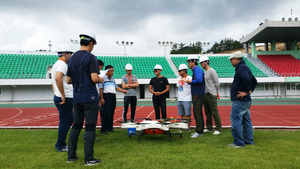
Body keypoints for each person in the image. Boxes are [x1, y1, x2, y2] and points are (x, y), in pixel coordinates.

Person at [66, 29, 103, 166]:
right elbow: (94, 78)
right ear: (91, 43)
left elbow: (69, 80)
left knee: (76, 125)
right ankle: (88, 158)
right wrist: (101, 79)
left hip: (77, 97)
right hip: (90, 97)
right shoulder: (91, 57)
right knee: (90, 127)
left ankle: (71, 156)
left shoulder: (73, 57)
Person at [227, 51, 257, 148]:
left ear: (236, 59)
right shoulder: (245, 67)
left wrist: (245, 92)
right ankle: (249, 141)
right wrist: (249, 91)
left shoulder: (241, 68)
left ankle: (238, 142)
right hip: (246, 100)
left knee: (235, 119)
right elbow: (254, 81)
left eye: (231, 60)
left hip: (240, 100)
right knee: (246, 120)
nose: (231, 62)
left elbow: (247, 80)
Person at [51, 44, 74, 152]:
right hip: (65, 97)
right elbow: (58, 78)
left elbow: (53, 82)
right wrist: (63, 95)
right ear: (66, 54)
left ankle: (61, 143)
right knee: (65, 122)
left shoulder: (56, 65)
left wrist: (56, 93)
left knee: (70, 120)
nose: (71, 56)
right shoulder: (62, 64)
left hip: (59, 96)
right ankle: (60, 145)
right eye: (70, 54)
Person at [100, 65, 127, 134]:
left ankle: (110, 127)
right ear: (107, 71)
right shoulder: (103, 79)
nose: (112, 72)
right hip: (106, 96)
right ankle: (103, 129)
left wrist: (123, 90)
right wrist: (102, 98)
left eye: (113, 70)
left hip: (113, 96)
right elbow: (100, 89)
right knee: (106, 113)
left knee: (112, 112)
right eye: (111, 71)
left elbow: (116, 87)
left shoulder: (112, 79)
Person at [199, 56, 222, 135]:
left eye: (201, 63)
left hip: (212, 94)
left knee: (214, 112)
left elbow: (217, 83)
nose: (201, 65)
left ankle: (218, 128)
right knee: (207, 112)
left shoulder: (212, 71)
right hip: (206, 94)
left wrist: (215, 91)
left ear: (206, 62)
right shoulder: (204, 72)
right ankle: (209, 128)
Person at [184, 56, 205, 138]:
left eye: (189, 62)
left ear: (193, 62)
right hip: (197, 93)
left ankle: (199, 131)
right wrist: (188, 82)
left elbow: (199, 80)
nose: (188, 64)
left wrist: (190, 81)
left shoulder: (197, 70)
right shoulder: (195, 70)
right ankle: (200, 131)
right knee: (198, 113)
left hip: (197, 94)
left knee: (197, 113)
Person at [177, 64, 192, 131]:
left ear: (184, 71)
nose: (179, 72)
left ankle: (188, 127)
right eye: (178, 71)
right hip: (180, 99)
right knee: (182, 114)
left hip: (187, 99)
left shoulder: (189, 78)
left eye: (180, 71)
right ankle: (183, 126)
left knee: (187, 114)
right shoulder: (178, 79)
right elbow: (178, 87)